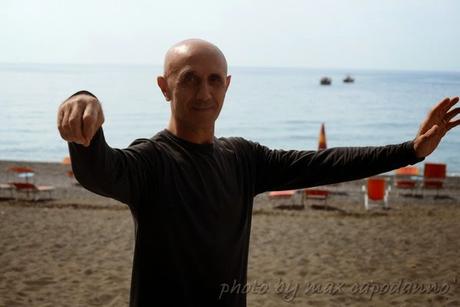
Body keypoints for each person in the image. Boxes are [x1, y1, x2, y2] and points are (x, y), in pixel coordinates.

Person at [57, 39, 460, 307]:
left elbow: (326, 163)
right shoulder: (150, 161)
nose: (204, 93)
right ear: (165, 87)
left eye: (215, 80)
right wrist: (83, 101)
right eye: (189, 80)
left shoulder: (243, 158)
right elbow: (100, 171)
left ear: (228, 85)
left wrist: (411, 150)